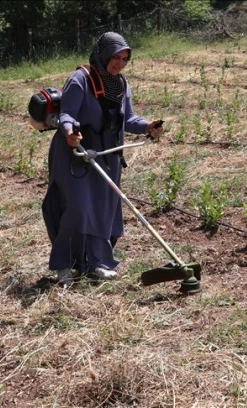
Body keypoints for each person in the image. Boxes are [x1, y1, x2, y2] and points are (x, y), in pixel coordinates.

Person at [42, 32, 164, 287]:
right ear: (103, 54)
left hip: (108, 155)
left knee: (103, 209)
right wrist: (70, 134)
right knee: (78, 209)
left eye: (125, 59)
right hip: (75, 154)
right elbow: (66, 115)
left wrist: (147, 126)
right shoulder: (80, 80)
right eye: (116, 57)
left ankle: (98, 263)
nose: (120, 63)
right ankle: (64, 264)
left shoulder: (121, 84)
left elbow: (128, 119)